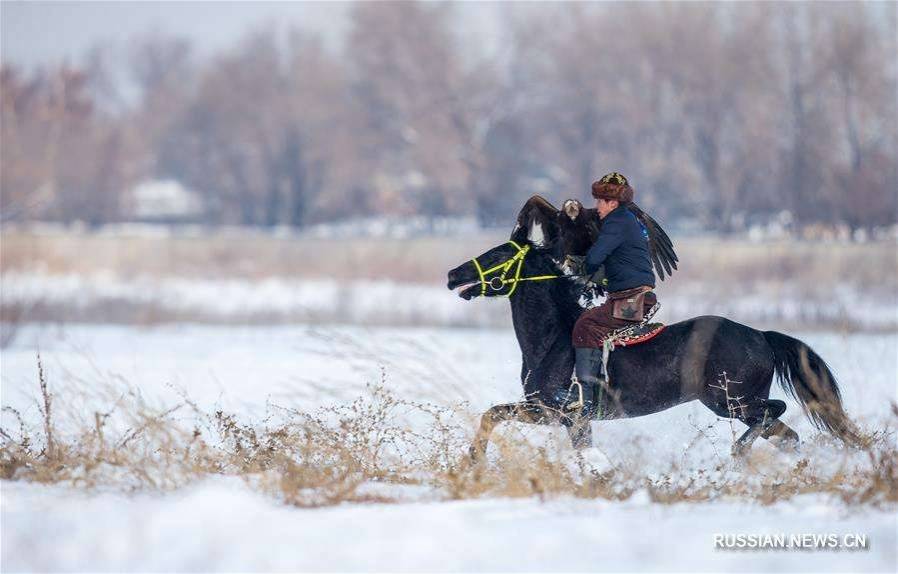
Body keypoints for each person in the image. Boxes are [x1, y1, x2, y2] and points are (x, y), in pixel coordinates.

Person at [568, 172, 658, 417]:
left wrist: (576, 265)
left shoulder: (617, 221)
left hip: (632, 301)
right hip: (632, 295)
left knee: (586, 324)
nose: (596, 206)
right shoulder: (627, 220)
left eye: (600, 201)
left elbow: (596, 258)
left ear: (613, 202)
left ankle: (586, 398)